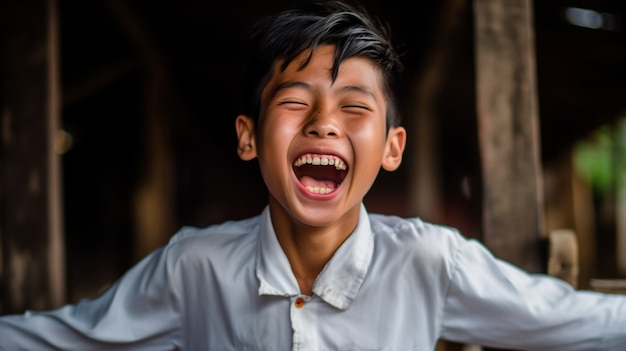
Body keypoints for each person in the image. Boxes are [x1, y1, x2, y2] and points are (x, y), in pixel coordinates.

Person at [1, 1, 625, 350]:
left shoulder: (432, 261)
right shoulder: (195, 267)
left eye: (356, 107)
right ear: (248, 137)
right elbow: (59, 341)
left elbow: (579, 322)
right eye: (295, 101)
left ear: (391, 148)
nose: (326, 122)